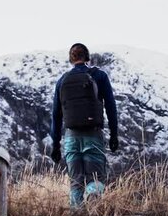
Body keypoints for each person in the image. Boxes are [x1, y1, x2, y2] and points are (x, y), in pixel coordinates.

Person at [50, 43, 119, 207]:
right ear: (87, 57)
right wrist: (114, 135)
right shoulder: (99, 76)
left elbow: (56, 114)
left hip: (71, 137)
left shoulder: (62, 81)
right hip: (93, 135)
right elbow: (110, 107)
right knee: (95, 178)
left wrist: (55, 145)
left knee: (76, 182)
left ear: (70, 59)